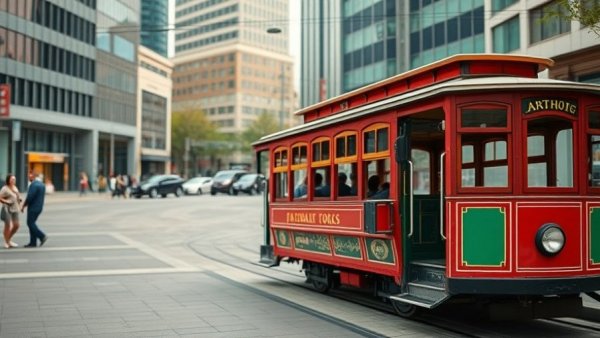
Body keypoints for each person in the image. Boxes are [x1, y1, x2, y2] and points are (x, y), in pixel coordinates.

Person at [21, 172, 48, 248]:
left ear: (33, 176)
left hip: (33, 208)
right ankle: (33, 242)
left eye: (30, 175)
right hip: (39, 208)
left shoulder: (33, 185)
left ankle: (42, 236)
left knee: (30, 223)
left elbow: (30, 197)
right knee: (32, 223)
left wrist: (23, 205)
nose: (29, 177)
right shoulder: (42, 185)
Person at [0, 174, 22, 248]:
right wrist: (6, 202)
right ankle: (7, 242)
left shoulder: (15, 187)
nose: (13, 181)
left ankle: (8, 240)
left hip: (15, 208)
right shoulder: (4, 188)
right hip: (7, 209)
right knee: (8, 225)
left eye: (14, 179)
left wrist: (19, 203)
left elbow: (17, 197)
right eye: (12, 179)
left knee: (16, 225)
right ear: (8, 180)